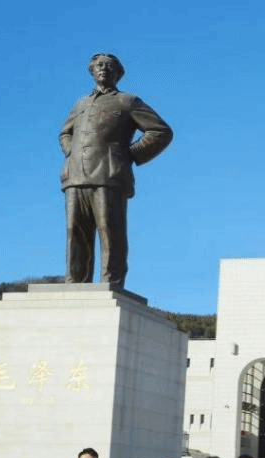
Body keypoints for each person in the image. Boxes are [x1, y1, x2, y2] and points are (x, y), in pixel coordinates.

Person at [60, 53, 172, 288]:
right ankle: (75, 281)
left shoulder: (127, 101)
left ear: (118, 73)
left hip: (109, 174)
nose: (103, 68)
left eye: (109, 66)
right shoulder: (81, 104)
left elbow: (160, 131)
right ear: (92, 71)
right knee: (74, 231)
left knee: (110, 231)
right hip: (75, 176)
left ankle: (111, 281)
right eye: (99, 65)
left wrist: (130, 155)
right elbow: (65, 132)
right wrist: (72, 153)